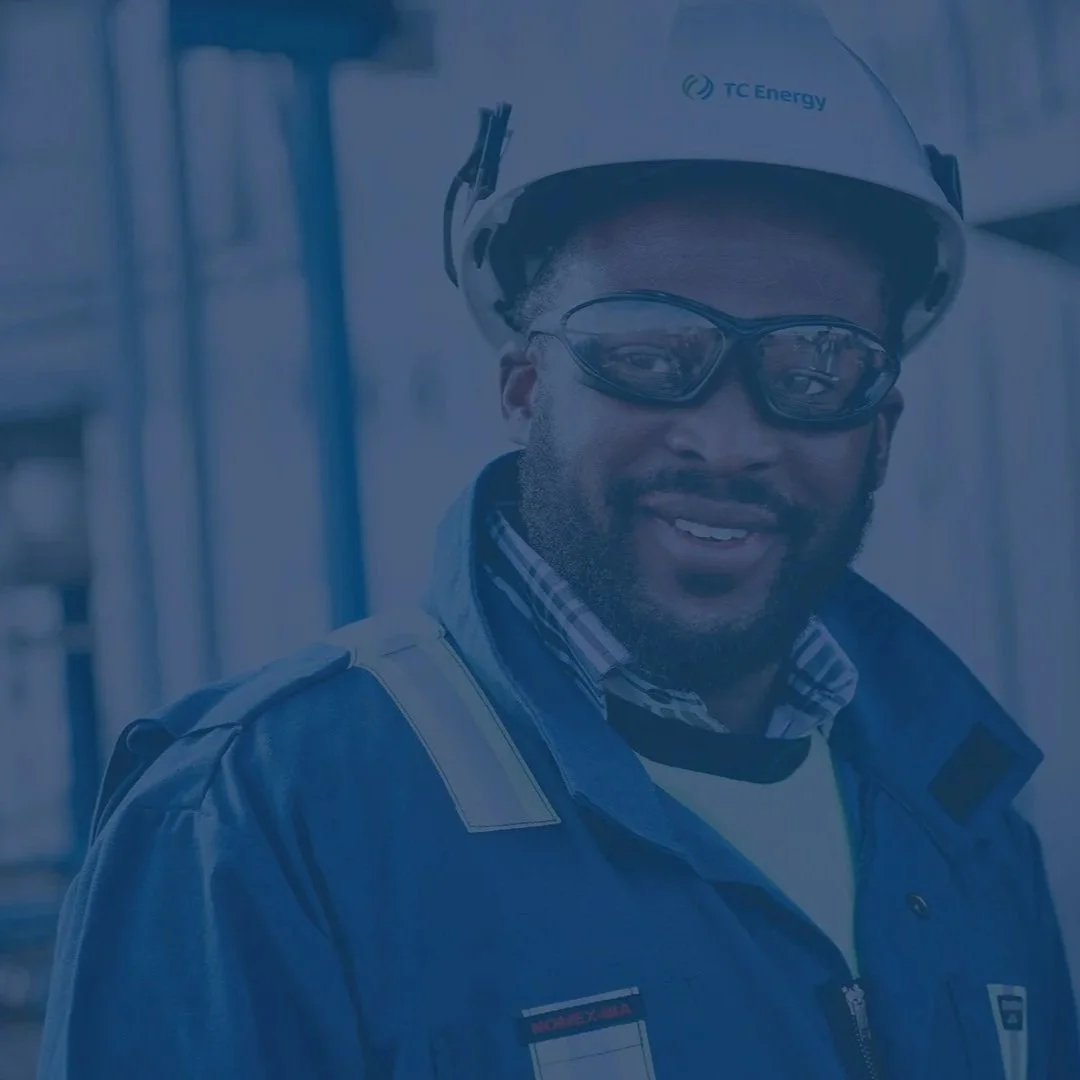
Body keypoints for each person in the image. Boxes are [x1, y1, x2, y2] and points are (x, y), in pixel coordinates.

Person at [39, 3, 1078, 1078]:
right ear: (524, 386)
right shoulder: (259, 821)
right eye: (647, 349)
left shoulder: (965, 816)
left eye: (815, 367)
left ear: (881, 428)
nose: (727, 439)